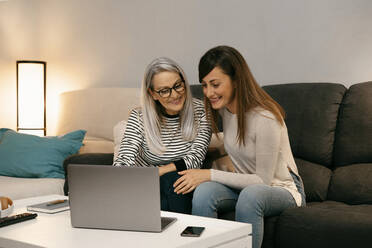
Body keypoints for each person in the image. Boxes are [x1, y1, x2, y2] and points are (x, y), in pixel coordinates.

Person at [173, 46, 305, 248]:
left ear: (236, 80)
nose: (208, 92)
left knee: (250, 195)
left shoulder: (266, 117)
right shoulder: (227, 110)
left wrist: (209, 173)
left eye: (215, 84)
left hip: (282, 189)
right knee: (204, 192)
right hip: (245, 188)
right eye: (205, 85)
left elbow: (262, 181)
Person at [113, 57, 211, 214]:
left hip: (180, 182)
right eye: (164, 90)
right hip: (144, 183)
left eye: (178, 86)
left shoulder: (202, 111)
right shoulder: (139, 117)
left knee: (171, 180)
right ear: (152, 94)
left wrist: (161, 171)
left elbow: (195, 158)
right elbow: (125, 157)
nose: (174, 95)